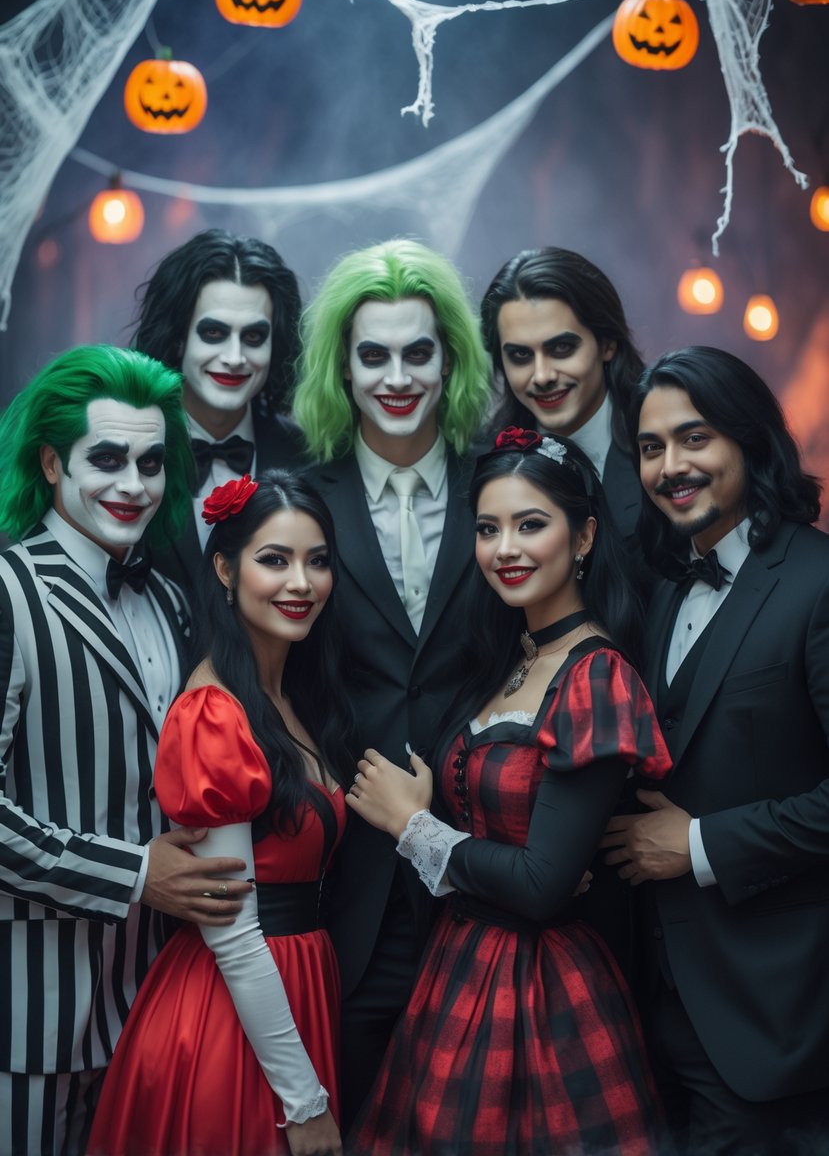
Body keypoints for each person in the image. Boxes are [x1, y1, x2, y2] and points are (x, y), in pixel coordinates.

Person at [346, 427, 672, 1156]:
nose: (505, 549)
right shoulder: (516, 659)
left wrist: (413, 825)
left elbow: (541, 886)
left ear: (582, 536)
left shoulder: (595, 674)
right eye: (488, 528)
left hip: (541, 988)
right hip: (457, 966)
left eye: (531, 524)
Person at [0, 345, 252, 1156]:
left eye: (150, 462)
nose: (133, 485)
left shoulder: (171, 598)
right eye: (105, 459)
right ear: (49, 461)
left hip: (151, 1004)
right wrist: (139, 874)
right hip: (27, 1017)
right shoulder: (8, 591)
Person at [602, 347, 829, 1154]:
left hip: (777, 1019)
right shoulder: (665, 589)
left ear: (748, 439)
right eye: (651, 447)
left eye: (692, 439)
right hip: (659, 1009)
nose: (670, 466)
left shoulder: (817, 582)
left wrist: (697, 844)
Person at [88, 470, 354, 1156]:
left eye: (317, 561)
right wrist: (304, 1100)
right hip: (231, 1010)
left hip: (293, 990)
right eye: (275, 559)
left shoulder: (293, 698)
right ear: (225, 569)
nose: (301, 582)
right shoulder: (213, 713)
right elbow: (232, 934)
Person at [292, 238, 492, 1126]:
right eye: (373, 354)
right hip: (349, 888)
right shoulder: (300, 501)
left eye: (418, 351)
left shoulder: (505, 485)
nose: (396, 375)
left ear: (450, 359)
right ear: (343, 365)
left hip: (491, 866)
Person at [133, 228, 305, 591]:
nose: (234, 358)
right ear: (179, 337)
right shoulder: (127, 451)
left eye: (254, 337)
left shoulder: (308, 458)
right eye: (213, 333)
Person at [480, 246, 645, 544]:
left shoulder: (662, 449)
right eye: (520, 355)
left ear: (607, 343)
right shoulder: (483, 461)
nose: (542, 376)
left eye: (561, 349)